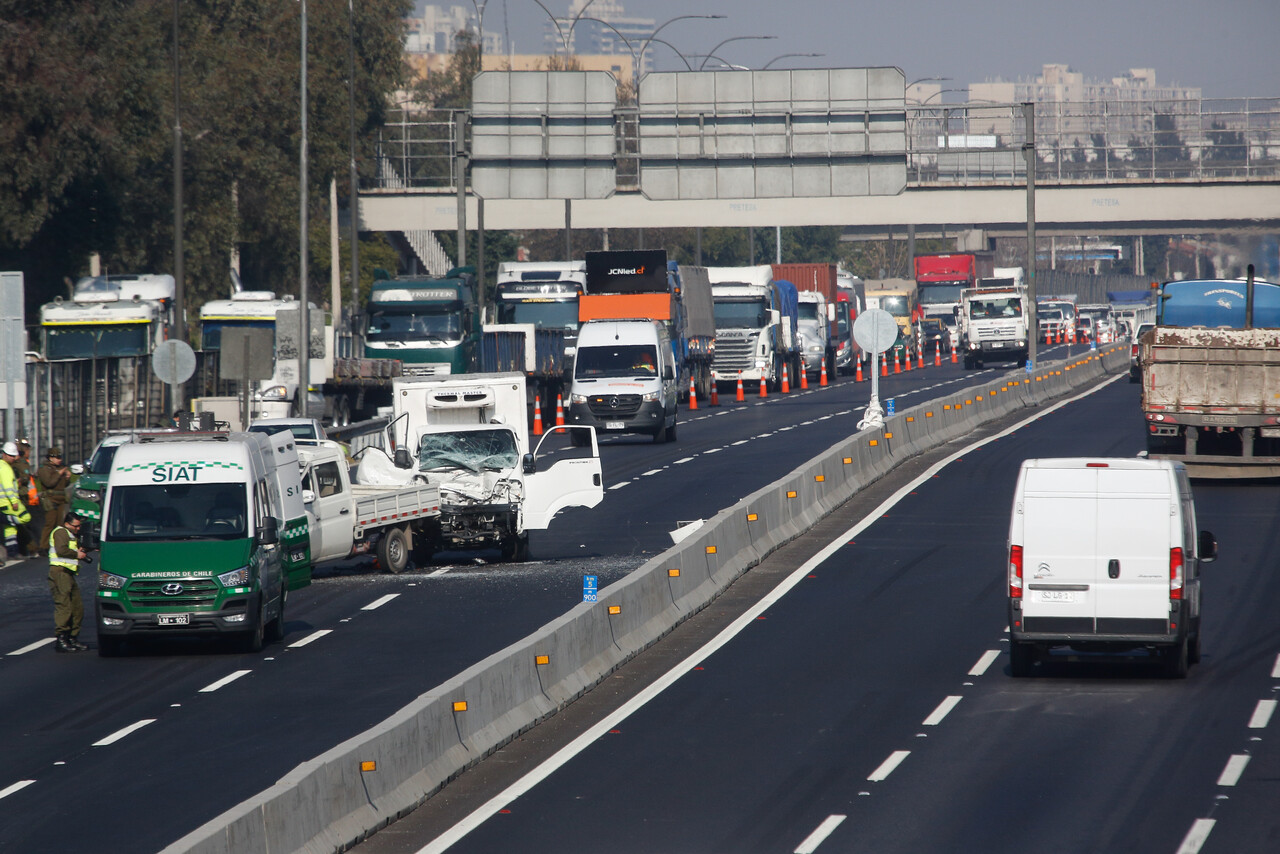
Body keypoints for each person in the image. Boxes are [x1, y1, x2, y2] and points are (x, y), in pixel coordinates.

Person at [48, 512, 88, 652]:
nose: (78, 529)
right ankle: (62, 638)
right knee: (64, 606)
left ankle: (72, 637)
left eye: (79, 526)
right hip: (60, 573)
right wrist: (77, 554)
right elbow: (61, 550)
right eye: (76, 526)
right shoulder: (60, 532)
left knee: (77, 608)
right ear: (67, 523)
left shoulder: (70, 535)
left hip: (68, 574)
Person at [0, 441, 33, 566]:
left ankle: (12, 552)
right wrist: (14, 501)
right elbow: (8, 487)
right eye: (11, 456)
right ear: (4, 454)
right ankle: (4, 518)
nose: (14, 458)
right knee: (25, 517)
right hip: (9, 502)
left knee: (10, 529)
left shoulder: (2, 466)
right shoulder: (5, 468)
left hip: (3, 502)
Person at [36, 447, 72, 556]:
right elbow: (49, 483)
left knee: (59, 524)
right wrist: (59, 473)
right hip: (50, 499)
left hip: (60, 499)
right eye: (57, 457)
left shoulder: (60, 468)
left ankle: (58, 545)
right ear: (50, 458)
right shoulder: (44, 469)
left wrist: (67, 478)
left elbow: (63, 485)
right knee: (50, 523)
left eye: (60, 457)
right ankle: (43, 546)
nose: (59, 460)